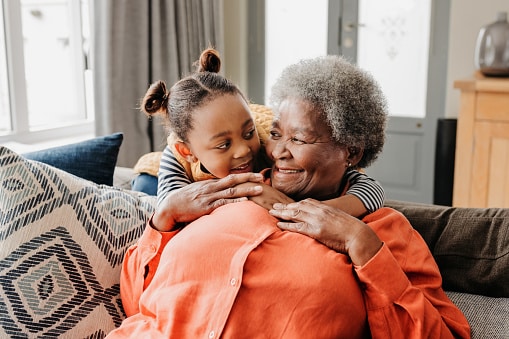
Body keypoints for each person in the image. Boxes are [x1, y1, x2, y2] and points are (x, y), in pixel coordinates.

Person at [107, 55, 470, 338]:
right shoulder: (219, 190)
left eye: (299, 139)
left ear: (352, 153)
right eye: (276, 134)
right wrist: (163, 217)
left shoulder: (381, 233)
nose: (278, 151)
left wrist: (359, 244)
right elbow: (136, 299)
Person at [140, 48, 385, 219]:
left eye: (248, 133)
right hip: (151, 175)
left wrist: (309, 212)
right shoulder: (179, 157)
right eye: (224, 145)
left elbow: (370, 189)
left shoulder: (271, 137)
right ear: (189, 151)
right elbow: (173, 210)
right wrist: (246, 196)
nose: (244, 150)